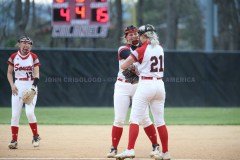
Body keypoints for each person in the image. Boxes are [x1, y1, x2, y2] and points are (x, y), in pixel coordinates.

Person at [115, 24, 171, 160]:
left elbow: (123, 65)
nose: (138, 37)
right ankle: (165, 152)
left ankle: (129, 150)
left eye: (139, 35)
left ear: (144, 35)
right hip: (160, 85)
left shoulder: (141, 49)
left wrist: (135, 67)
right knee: (160, 121)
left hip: (146, 84)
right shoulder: (160, 48)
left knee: (134, 119)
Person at [107, 25, 160, 158]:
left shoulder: (144, 49)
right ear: (125, 38)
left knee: (145, 118)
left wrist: (145, 44)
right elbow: (131, 54)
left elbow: (142, 53)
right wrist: (144, 44)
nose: (133, 36)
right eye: (129, 34)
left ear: (139, 35)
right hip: (122, 86)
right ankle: (114, 148)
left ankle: (155, 145)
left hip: (138, 86)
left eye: (135, 33)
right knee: (119, 119)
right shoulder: (123, 49)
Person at [7, 36, 41, 149]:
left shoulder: (33, 57)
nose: (26, 45)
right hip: (18, 85)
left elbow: (37, 75)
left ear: (31, 45)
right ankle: (14, 140)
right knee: (15, 115)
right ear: (19, 44)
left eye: (29, 43)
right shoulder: (13, 57)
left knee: (29, 113)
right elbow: (9, 73)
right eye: (24, 42)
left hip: (31, 85)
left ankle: (36, 136)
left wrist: (33, 88)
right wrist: (12, 85)